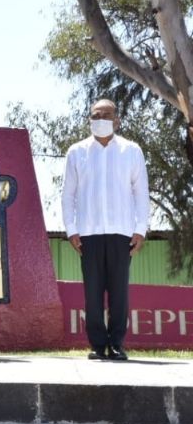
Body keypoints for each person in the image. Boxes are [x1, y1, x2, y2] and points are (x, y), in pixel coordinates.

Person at [61, 99, 149, 361]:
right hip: (88, 233)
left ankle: (118, 344)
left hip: (122, 232)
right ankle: (98, 345)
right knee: (92, 293)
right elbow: (68, 195)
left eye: (107, 114)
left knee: (120, 292)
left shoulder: (131, 151)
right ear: (89, 119)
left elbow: (141, 193)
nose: (101, 119)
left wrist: (140, 229)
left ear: (117, 119)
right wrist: (71, 230)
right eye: (96, 115)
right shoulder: (76, 152)